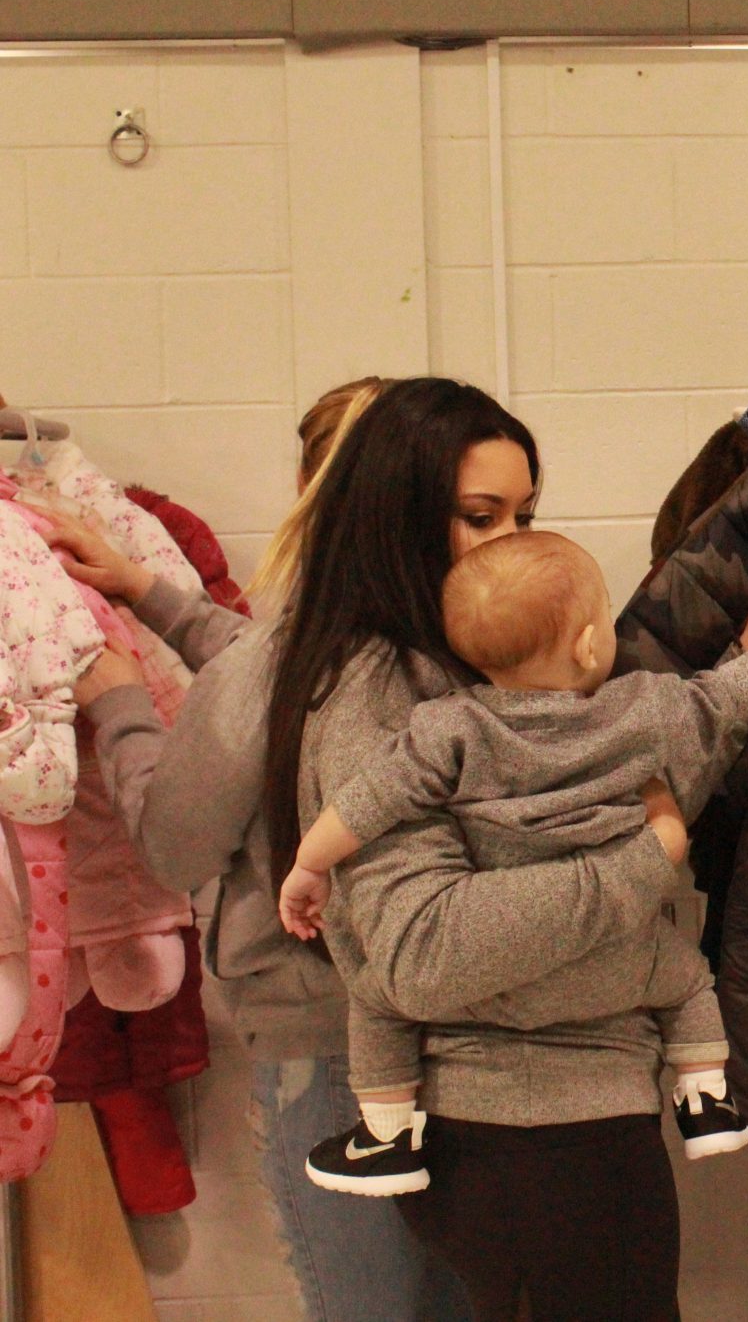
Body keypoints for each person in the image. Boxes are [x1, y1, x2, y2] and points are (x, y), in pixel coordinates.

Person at [64, 376, 484, 1320]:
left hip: (328, 1043)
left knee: (370, 1309)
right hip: (471, 1038)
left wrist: (120, 704)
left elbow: (174, 844)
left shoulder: (280, 673)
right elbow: (279, 672)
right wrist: (154, 596)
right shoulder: (464, 643)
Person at [275, 529, 748, 1193]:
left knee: (376, 994)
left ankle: (386, 1134)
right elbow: (728, 694)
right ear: (587, 645)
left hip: (491, 993)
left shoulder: (449, 728)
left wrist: (308, 865)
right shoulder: (638, 711)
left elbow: (369, 801)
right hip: (622, 967)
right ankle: (705, 1098)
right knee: (690, 978)